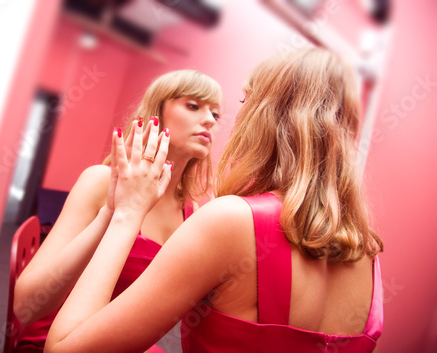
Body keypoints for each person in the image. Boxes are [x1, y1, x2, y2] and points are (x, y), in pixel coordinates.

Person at [44, 48, 384, 353]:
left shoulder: (229, 220)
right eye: (193, 106)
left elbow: (64, 349)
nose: (214, 120)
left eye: (242, 102)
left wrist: (126, 213)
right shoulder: (366, 248)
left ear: (265, 115)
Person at [13, 70, 223, 353]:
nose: (209, 120)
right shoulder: (99, 180)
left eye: (216, 114)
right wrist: (112, 213)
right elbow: (27, 308)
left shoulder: (192, 213)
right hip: (53, 340)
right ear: (157, 112)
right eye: (193, 106)